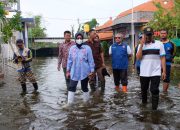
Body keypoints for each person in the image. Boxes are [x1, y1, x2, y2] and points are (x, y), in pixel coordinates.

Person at [136, 27, 166, 110]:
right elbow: (138, 57)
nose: (148, 37)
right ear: (144, 35)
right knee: (144, 90)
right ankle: (144, 107)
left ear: (153, 34)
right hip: (144, 72)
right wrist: (142, 44)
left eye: (150, 35)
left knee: (154, 90)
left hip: (155, 72)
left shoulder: (159, 44)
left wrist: (164, 71)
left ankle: (154, 110)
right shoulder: (140, 45)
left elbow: (163, 58)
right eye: (146, 35)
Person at [66, 32, 95, 105]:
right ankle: (69, 104)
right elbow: (69, 60)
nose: (79, 39)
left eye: (80, 38)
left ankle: (86, 103)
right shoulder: (72, 48)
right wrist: (68, 71)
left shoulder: (87, 48)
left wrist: (92, 71)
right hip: (74, 71)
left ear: (82, 39)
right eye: (78, 38)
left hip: (85, 72)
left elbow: (91, 61)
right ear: (75, 39)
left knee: (84, 87)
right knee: (71, 87)